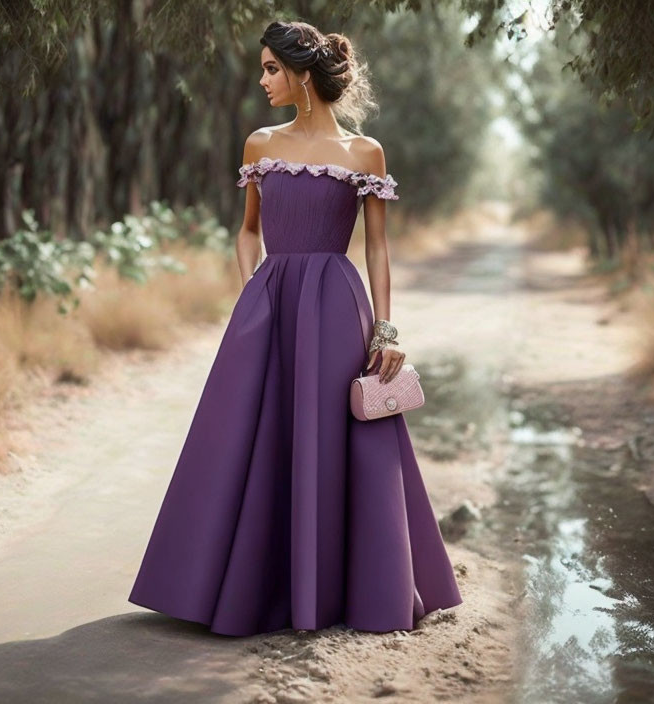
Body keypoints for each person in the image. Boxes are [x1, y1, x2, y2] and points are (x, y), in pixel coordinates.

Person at [128, 19, 462, 637]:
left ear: (302, 75)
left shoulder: (365, 153)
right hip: (271, 303)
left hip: (337, 307)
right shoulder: (259, 143)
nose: (262, 80)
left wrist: (386, 330)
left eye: (271, 69)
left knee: (337, 440)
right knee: (251, 438)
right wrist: (250, 288)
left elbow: (379, 248)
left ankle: (342, 590)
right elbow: (249, 229)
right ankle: (245, 588)